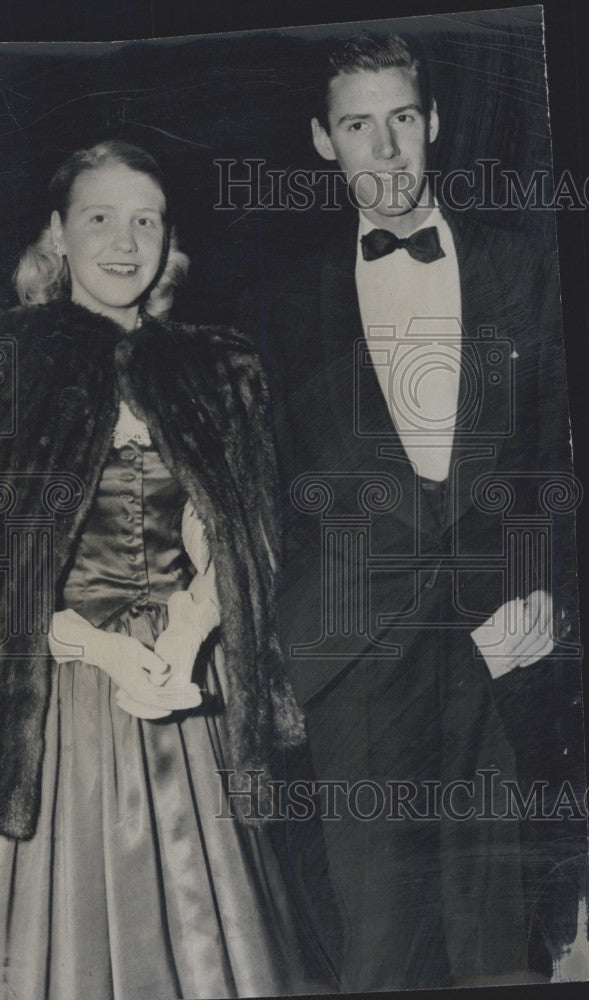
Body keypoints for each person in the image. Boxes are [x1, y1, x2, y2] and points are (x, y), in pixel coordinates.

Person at [242, 33, 580, 992]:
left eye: (401, 120)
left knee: (500, 940)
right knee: (382, 945)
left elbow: (556, 450)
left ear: (431, 124)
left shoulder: (522, 265)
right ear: (322, 140)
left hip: (499, 636)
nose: (384, 152)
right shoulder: (277, 301)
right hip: (356, 652)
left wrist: (548, 585)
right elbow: (264, 490)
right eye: (358, 125)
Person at [0, 139, 309, 1000]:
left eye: (144, 219)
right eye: (99, 217)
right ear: (58, 235)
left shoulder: (218, 364)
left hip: (181, 687)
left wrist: (188, 636)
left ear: (168, 238)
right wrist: (98, 650)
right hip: (47, 690)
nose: (123, 239)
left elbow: (240, 532)